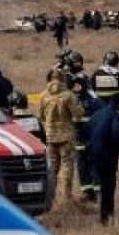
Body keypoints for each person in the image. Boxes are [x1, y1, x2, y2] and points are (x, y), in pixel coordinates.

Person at [38, 68, 84, 208]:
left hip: (50, 136)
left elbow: (41, 116)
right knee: (67, 166)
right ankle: (66, 197)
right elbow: (78, 114)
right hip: (66, 136)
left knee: (52, 168)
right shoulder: (68, 95)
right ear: (63, 79)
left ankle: (50, 197)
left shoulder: (43, 95)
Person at [88, 92, 119, 226]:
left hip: (94, 154)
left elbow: (87, 130)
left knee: (102, 185)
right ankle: (107, 218)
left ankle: (104, 216)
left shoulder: (98, 113)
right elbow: (116, 135)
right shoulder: (115, 116)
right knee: (109, 187)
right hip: (107, 155)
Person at [72, 74, 105, 204]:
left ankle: (99, 192)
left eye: (77, 85)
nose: (75, 88)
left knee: (93, 164)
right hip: (79, 139)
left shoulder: (94, 101)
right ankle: (88, 192)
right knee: (82, 166)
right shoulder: (72, 100)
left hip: (91, 138)